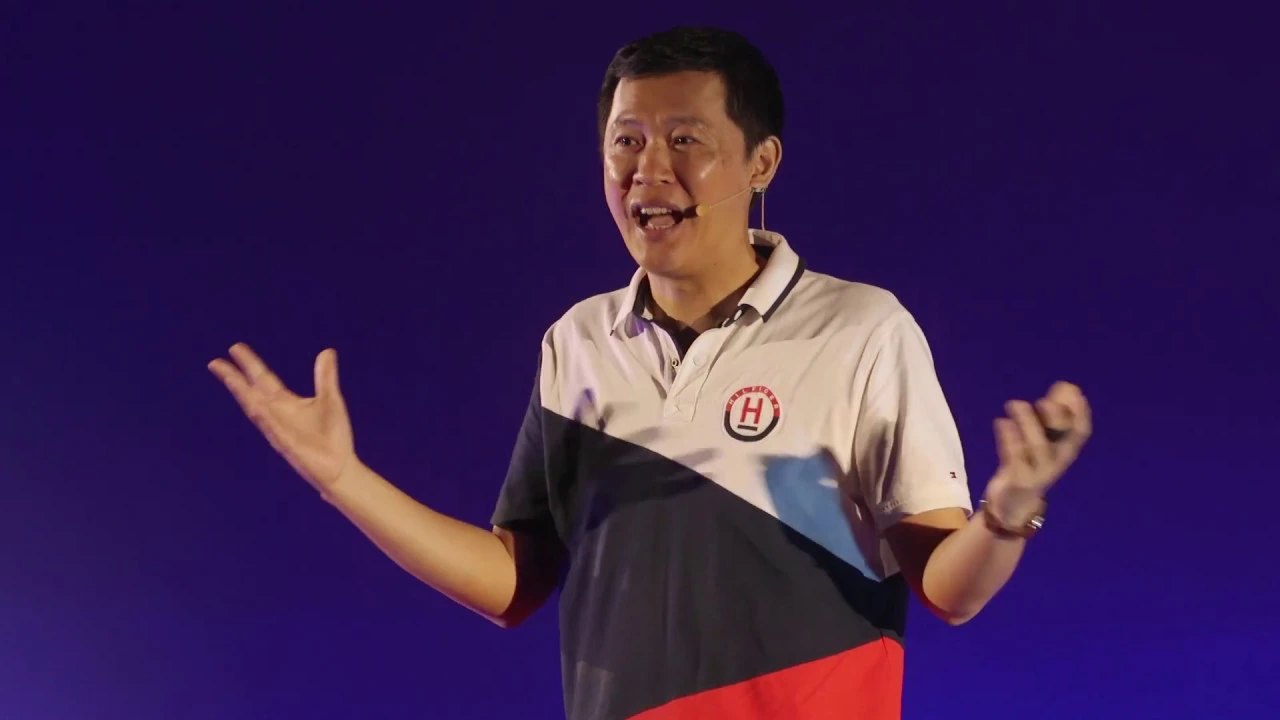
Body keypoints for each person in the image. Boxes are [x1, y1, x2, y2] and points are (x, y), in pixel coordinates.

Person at [208, 26, 1091, 720]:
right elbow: (512, 583)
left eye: (684, 139)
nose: (647, 170)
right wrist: (344, 480)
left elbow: (947, 589)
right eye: (624, 141)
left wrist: (1010, 511)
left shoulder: (861, 330)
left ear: (761, 163)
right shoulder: (578, 342)